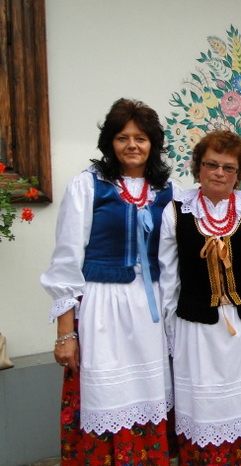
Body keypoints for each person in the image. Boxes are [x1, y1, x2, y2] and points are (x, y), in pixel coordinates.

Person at [40, 98, 175, 464]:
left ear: (153, 144)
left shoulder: (168, 191)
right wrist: (65, 333)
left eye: (140, 138)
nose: (132, 145)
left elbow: (174, 261)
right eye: (122, 137)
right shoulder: (89, 185)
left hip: (149, 311)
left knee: (147, 396)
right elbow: (66, 260)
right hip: (101, 308)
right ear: (109, 142)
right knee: (104, 396)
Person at [158, 130, 241, 465]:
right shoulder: (176, 213)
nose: (219, 173)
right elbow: (168, 276)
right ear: (198, 168)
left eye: (228, 167)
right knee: (206, 408)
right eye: (211, 164)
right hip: (199, 328)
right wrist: (171, 329)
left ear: (238, 173)